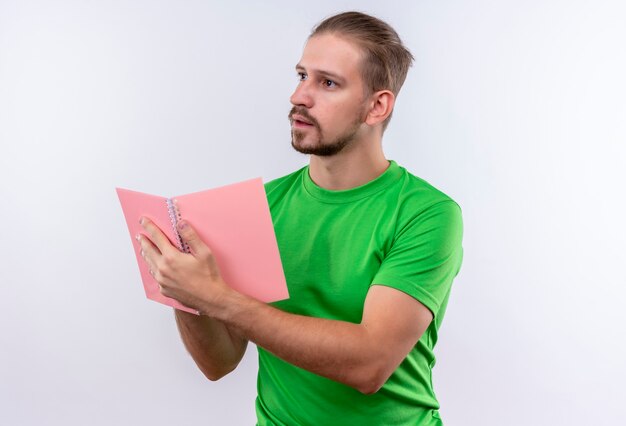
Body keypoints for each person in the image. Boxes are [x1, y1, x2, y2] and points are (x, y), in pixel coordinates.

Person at [136, 11, 464, 426]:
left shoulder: (426, 213)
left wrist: (217, 297)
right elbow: (219, 362)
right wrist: (184, 292)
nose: (299, 96)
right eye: (301, 76)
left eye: (327, 83)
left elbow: (369, 364)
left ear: (377, 106)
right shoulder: (264, 205)